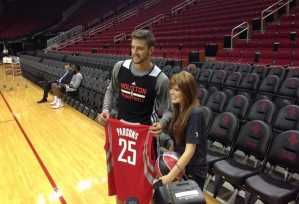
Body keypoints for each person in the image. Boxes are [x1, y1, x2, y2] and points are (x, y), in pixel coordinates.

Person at [98, 29, 173, 204]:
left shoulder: (160, 79)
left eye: (139, 48)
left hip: (145, 138)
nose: (134, 52)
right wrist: (106, 109)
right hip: (121, 135)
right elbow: (111, 91)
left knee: (144, 183)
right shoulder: (120, 67)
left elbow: (169, 110)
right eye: (132, 47)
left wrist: (162, 123)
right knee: (121, 177)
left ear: (151, 50)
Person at [159, 71, 208, 191]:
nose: (171, 92)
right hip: (181, 167)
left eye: (176, 89)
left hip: (192, 172)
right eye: (171, 88)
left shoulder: (195, 113)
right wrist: (166, 158)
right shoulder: (180, 110)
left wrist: (170, 176)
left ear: (186, 91)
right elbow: (176, 142)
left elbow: (189, 151)